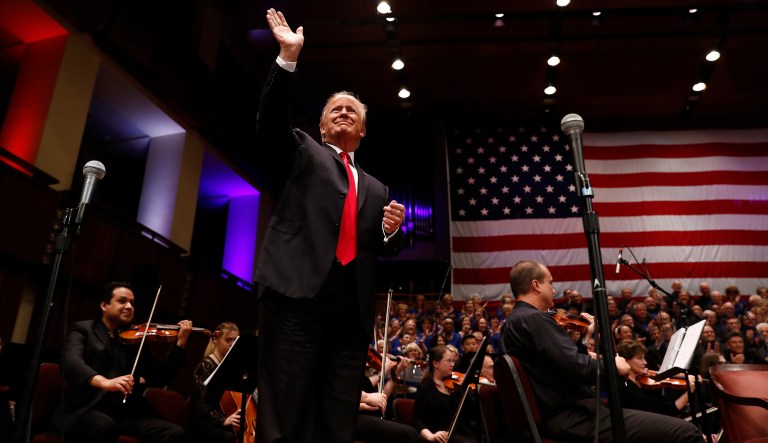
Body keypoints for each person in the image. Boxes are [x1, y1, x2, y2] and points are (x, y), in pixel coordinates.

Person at [253, 9, 406, 443]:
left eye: (351, 110)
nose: (342, 112)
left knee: (337, 419)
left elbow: (381, 245)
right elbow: (269, 124)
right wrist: (287, 58)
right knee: (285, 412)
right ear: (322, 125)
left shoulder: (376, 187)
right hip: (294, 297)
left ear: (362, 129)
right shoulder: (302, 149)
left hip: (350, 313)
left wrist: (392, 230)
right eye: (334, 109)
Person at [501, 260, 701, 443]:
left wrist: (584, 339)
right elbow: (578, 369)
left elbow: (559, 366)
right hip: (574, 416)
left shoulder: (516, 322)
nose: (553, 290)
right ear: (536, 285)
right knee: (687, 432)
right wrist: (614, 366)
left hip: (561, 415)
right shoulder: (535, 319)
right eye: (550, 283)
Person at [55, 282, 193, 443]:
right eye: (122, 301)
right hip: (88, 409)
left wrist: (180, 345)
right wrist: (104, 382)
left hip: (124, 413)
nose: (129, 306)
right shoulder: (84, 330)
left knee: (174, 433)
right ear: (104, 305)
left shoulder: (135, 340)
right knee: (104, 426)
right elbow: (70, 361)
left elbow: (159, 377)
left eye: (132, 303)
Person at [413, 345, 482, 443]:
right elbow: (417, 420)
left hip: (463, 432)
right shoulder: (425, 387)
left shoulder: (456, 385)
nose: (452, 364)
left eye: (453, 361)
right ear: (436, 363)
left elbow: (470, 412)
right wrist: (431, 436)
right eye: (448, 361)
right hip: (441, 435)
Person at [189, 322, 243, 443]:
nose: (232, 344)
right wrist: (223, 420)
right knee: (228, 437)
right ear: (217, 339)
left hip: (219, 420)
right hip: (204, 424)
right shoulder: (206, 365)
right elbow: (200, 404)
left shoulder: (230, 367)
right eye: (228, 340)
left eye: (235, 340)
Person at [617, 340, 695, 417]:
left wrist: (689, 392)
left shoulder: (648, 383)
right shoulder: (624, 386)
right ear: (626, 361)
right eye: (640, 358)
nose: (645, 362)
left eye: (644, 358)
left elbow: (669, 410)